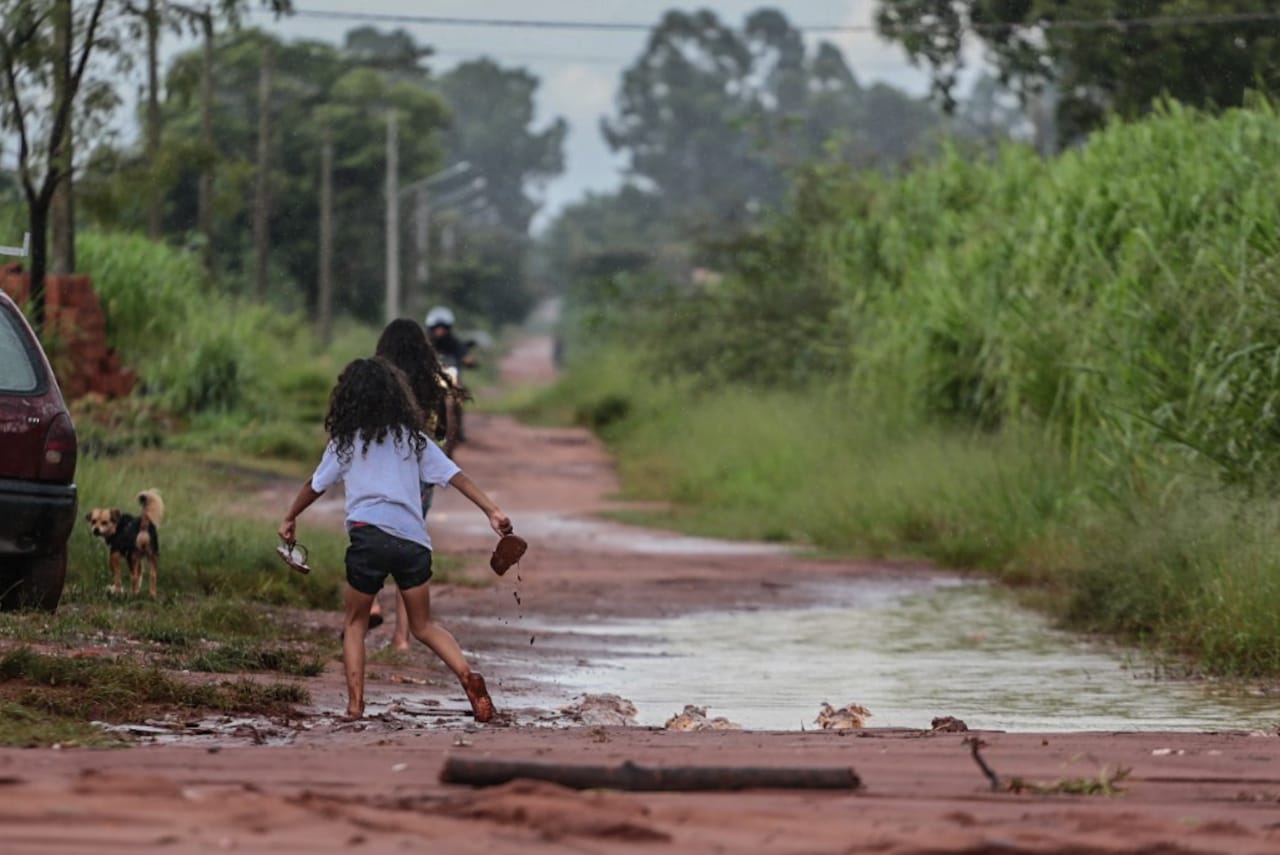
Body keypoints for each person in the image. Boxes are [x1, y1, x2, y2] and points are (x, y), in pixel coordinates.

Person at [278, 356, 510, 722]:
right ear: (397, 397)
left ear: (349, 398)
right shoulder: (414, 441)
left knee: (354, 624)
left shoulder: (346, 442)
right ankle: (467, 675)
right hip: (412, 543)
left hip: (368, 538)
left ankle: (355, 707)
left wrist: (291, 516)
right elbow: (455, 476)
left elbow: (315, 486)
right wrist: (492, 511)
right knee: (423, 626)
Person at [369, 318, 466, 649]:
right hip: (420, 475)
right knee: (409, 546)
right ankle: (401, 638)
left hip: (381, 470)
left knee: (370, 535)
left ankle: (371, 602)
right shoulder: (432, 382)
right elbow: (443, 431)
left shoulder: (379, 380)